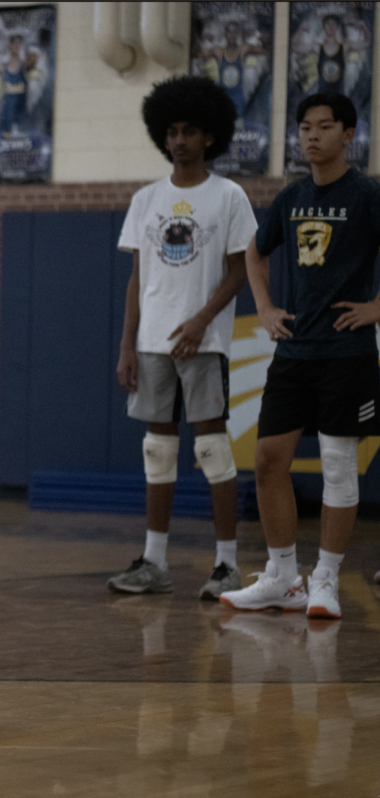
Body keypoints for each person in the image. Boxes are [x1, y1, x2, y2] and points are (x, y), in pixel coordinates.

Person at [220, 94, 380, 620]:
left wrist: (376, 307)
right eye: (304, 128)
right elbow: (254, 251)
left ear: (348, 134)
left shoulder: (367, 194)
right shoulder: (291, 198)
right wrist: (264, 307)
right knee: (268, 461)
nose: (311, 136)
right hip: (294, 351)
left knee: (337, 465)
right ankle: (283, 577)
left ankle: (326, 580)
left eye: (324, 127)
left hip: (346, 353)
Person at [109, 75, 256, 599]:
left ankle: (227, 566)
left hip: (204, 341)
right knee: (158, 451)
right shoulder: (146, 199)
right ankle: (154, 561)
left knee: (214, 448)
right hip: (152, 343)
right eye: (171, 131)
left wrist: (200, 320)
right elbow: (138, 278)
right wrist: (128, 344)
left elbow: (240, 270)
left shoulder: (230, 195)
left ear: (210, 136)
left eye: (190, 130)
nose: (179, 140)